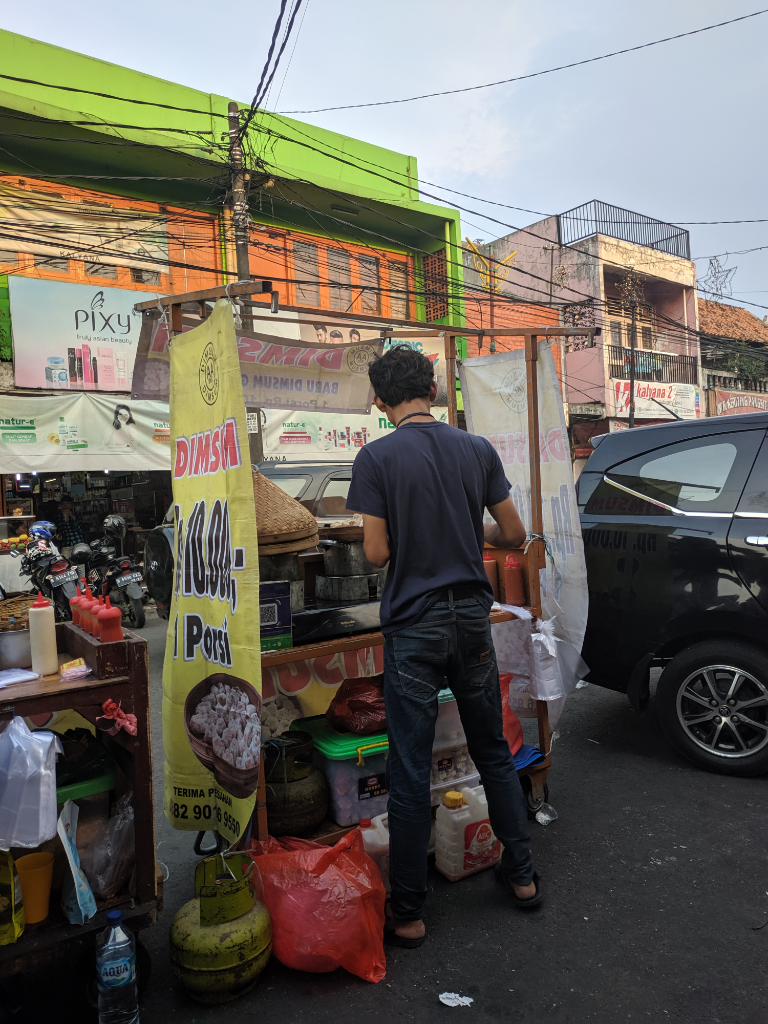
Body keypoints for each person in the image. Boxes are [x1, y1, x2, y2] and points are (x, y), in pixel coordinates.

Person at [347, 346, 541, 948]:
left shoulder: (375, 457)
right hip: (471, 623)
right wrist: (465, 528)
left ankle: (408, 912)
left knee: (408, 769)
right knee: (493, 750)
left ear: (381, 401)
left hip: (415, 625)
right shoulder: (476, 448)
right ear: (432, 388)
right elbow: (512, 534)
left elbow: (376, 553)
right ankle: (524, 877)